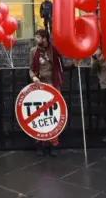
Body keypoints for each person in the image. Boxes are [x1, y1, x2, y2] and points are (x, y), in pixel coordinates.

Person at [29, 29, 77, 157]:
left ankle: (53, 143)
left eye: (38, 37)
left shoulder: (54, 51)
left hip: (54, 87)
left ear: (45, 38)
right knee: (40, 116)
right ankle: (40, 142)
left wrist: (74, 64)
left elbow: (62, 67)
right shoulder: (33, 51)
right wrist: (34, 77)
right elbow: (31, 70)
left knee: (54, 116)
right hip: (40, 88)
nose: (36, 39)